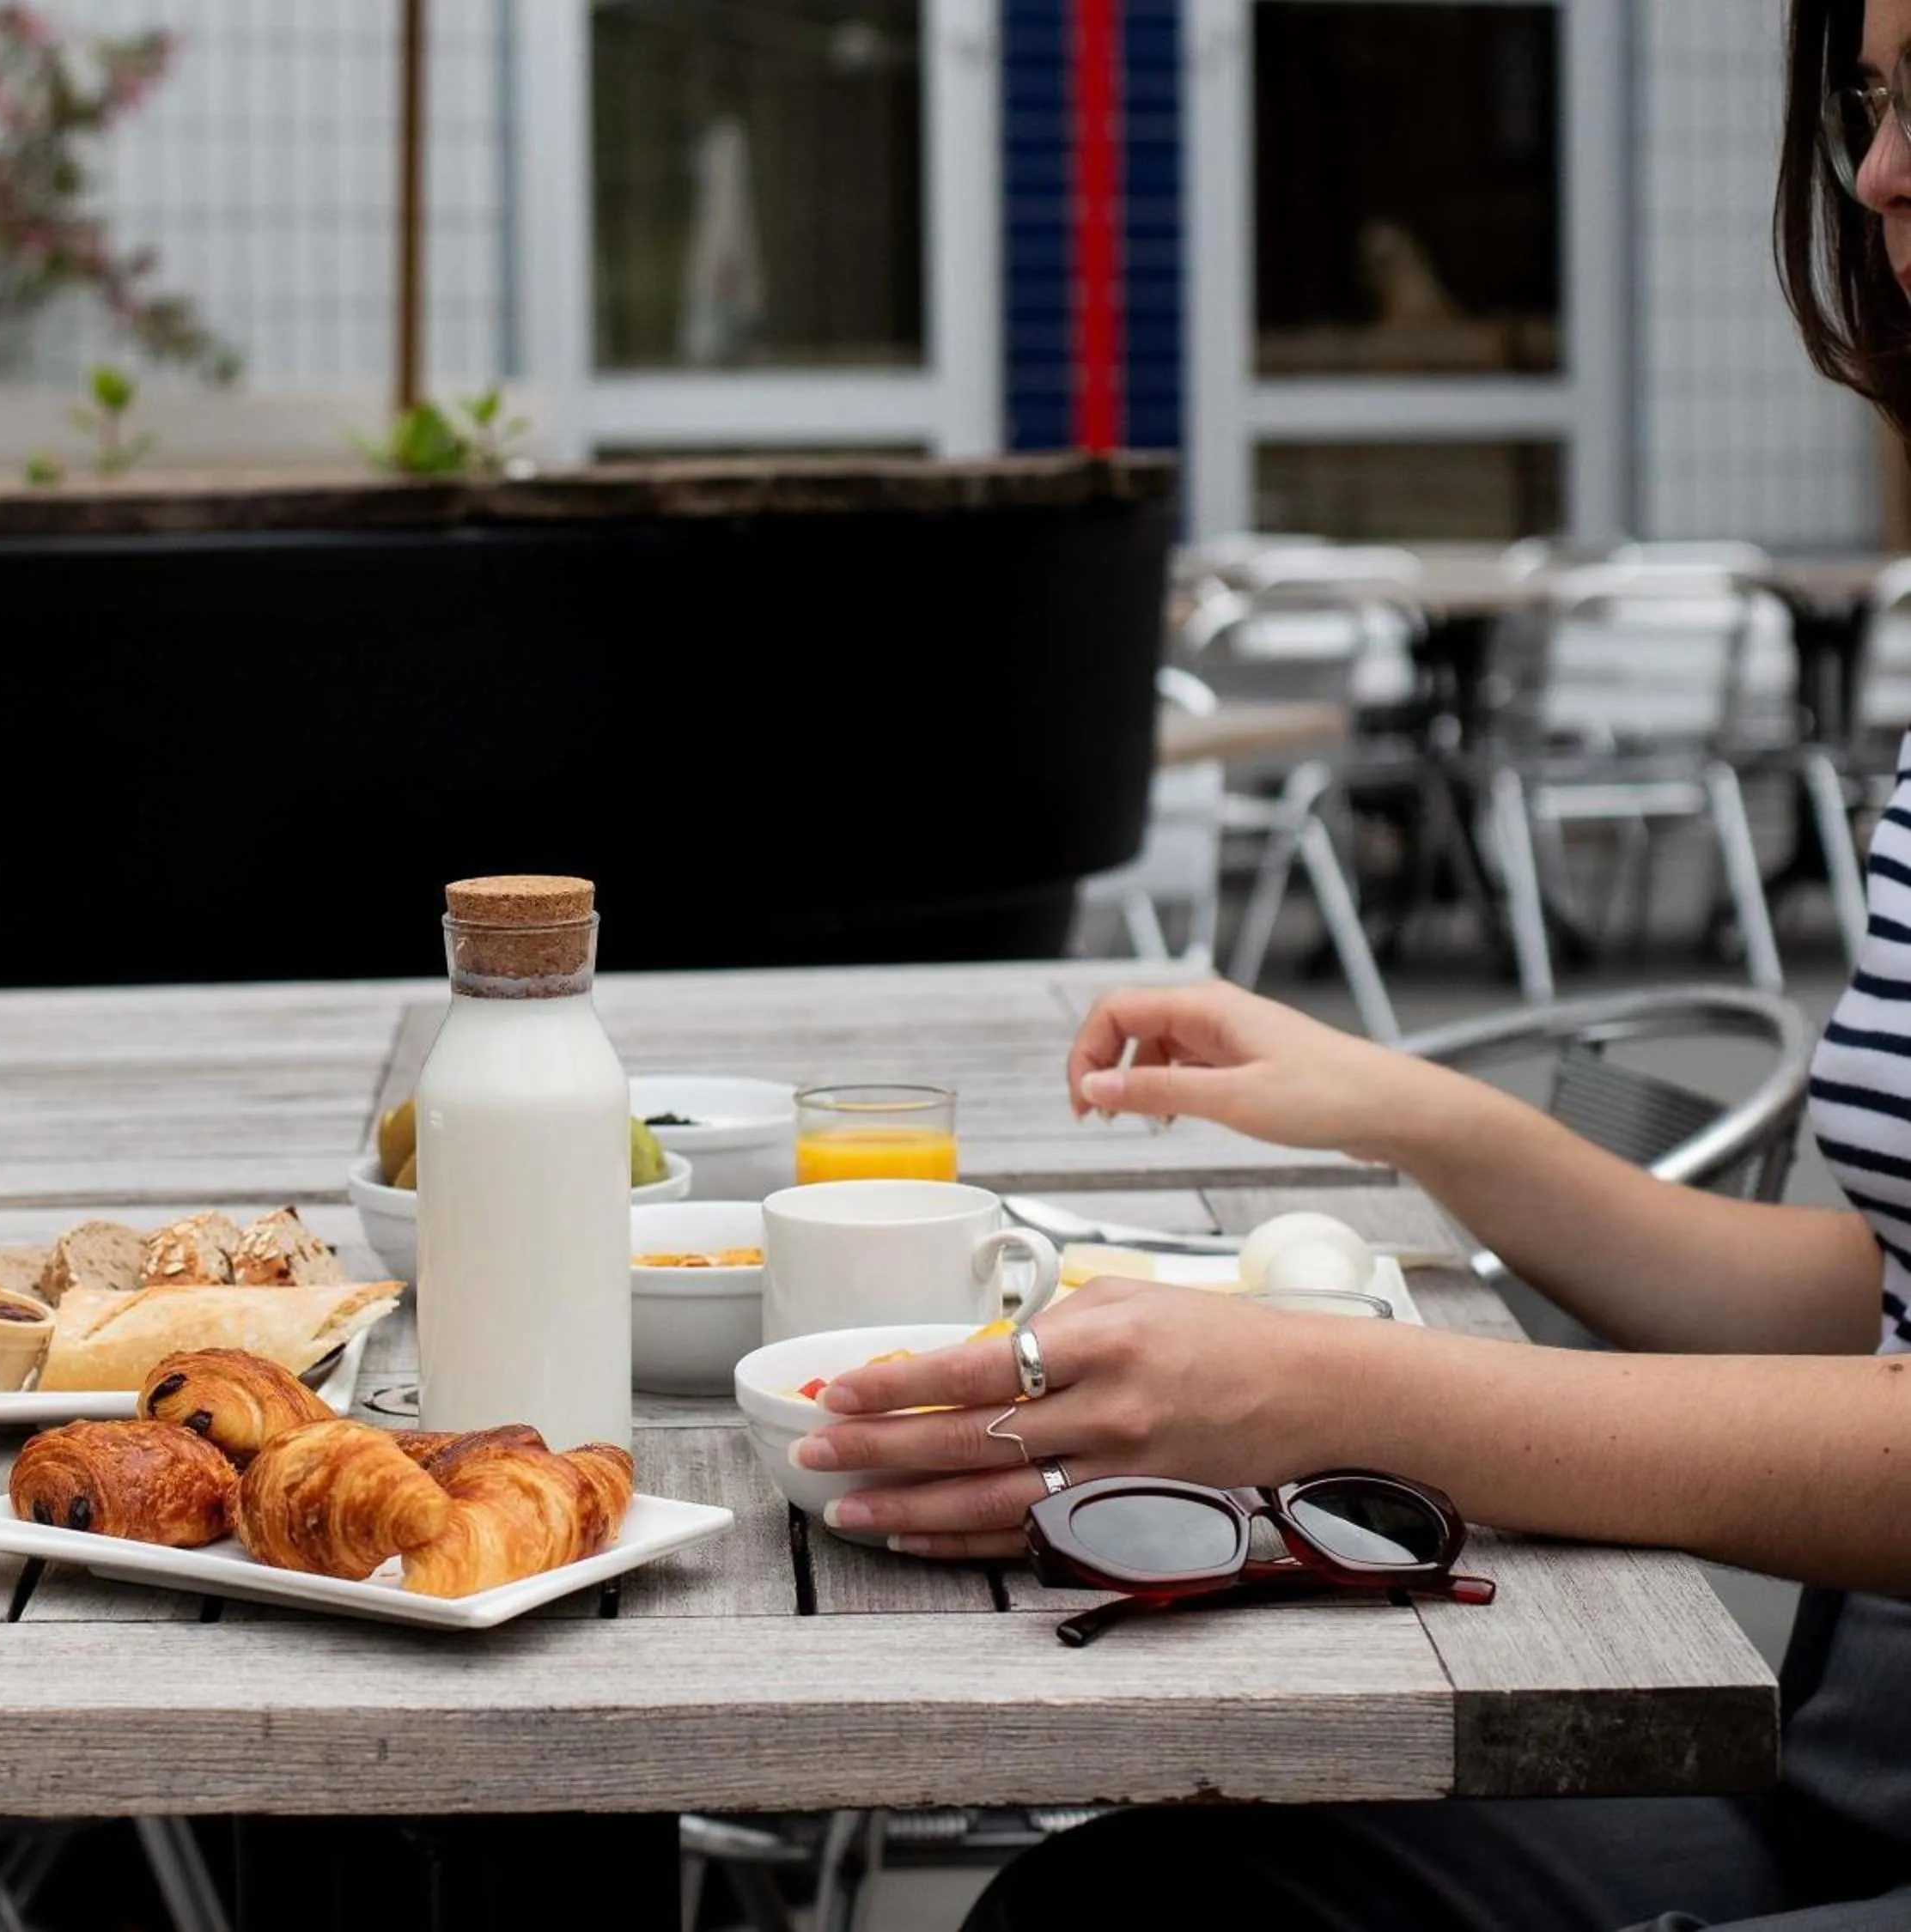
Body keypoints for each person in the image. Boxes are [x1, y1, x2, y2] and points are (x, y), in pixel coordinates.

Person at [793, 6, 1911, 1923]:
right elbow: (1865, 1306)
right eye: (1877, 99)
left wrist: (1340, 1395)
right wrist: (1406, 1113)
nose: (1880, 172)